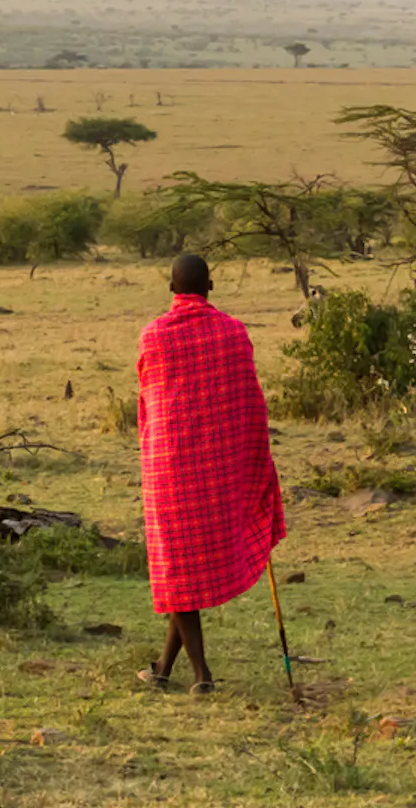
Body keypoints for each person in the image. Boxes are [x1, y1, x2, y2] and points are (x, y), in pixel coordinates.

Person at [135, 254, 287, 690]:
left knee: (176, 572)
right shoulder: (233, 333)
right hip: (219, 472)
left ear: (171, 288)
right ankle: (163, 670)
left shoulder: (154, 336)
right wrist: (256, 460)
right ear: (211, 286)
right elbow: (252, 404)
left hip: (170, 471)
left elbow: (148, 400)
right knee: (180, 574)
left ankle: (201, 675)